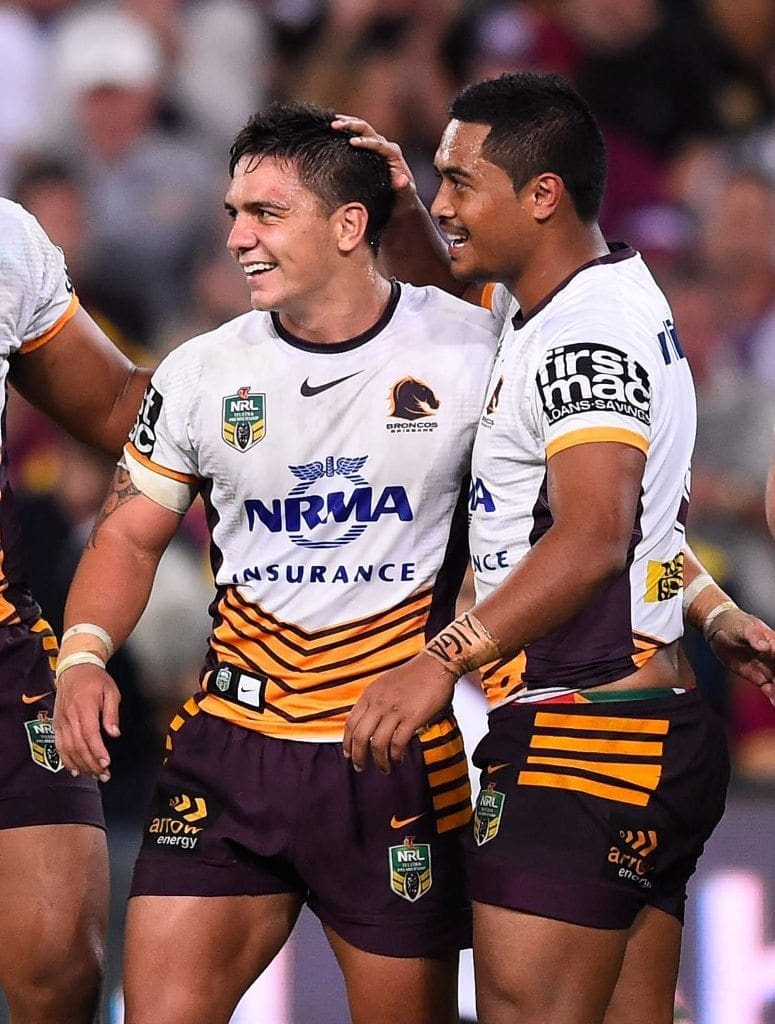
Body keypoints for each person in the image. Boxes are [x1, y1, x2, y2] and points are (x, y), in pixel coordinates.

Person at [52, 101, 500, 1024]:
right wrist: (84, 654)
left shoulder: (471, 353)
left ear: (348, 226)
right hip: (230, 749)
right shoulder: (200, 372)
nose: (237, 237)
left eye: (265, 213)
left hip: (388, 751)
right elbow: (130, 533)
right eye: (231, 213)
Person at [342, 72, 775, 1024]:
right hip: (642, 727)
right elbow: (634, 523)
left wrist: (434, 664)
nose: (443, 202)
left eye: (460, 183)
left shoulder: (586, 339)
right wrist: (709, 607)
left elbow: (588, 538)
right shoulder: (574, 293)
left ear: (542, 195)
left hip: (585, 739)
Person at [0, 197, 151, 1022]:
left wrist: (273, 366)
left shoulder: (4, 240)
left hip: (2, 647)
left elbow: (116, 405)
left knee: (63, 968)